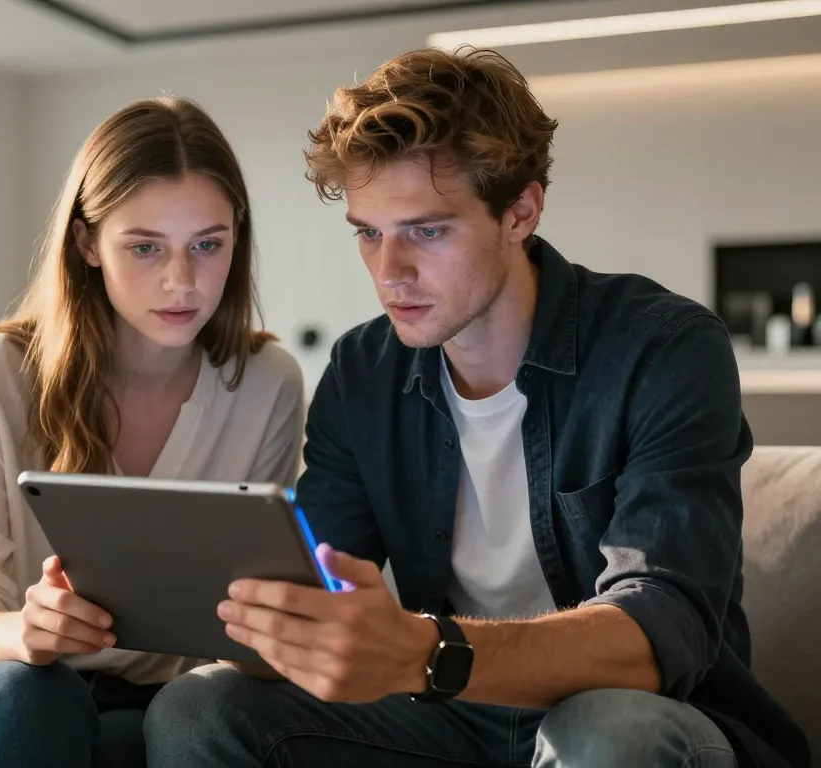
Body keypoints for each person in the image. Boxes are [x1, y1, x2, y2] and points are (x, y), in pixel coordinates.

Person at [142, 47, 811, 768]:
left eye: (427, 231)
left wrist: (426, 652)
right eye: (369, 233)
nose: (389, 273)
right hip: (450, 718)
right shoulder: (364, 371)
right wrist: (274, 624)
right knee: (196, 708)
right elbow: (320, 585)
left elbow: (661, 631)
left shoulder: (664, 347)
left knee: (606, 733)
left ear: (520, 210)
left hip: (648, 716)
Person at [0, 96, 305, 768]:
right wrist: (27, 631)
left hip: (140, 703)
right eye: (144, 247)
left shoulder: (267, 383)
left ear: (236, 238)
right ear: (86, 243)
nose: (182, 281)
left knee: (182, 726)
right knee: (33, 700)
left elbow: (249, 608)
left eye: (207, 245)